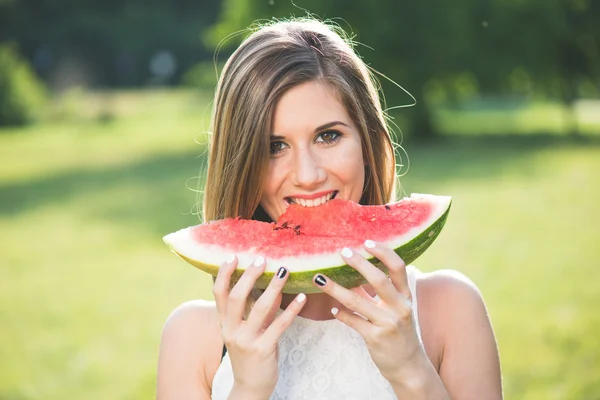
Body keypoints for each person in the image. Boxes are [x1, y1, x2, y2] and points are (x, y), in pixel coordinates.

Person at [156, 18, 502, 400]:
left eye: (328, 136)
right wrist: (249, 389)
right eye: (274, 147)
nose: (307, 175)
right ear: (240, 164)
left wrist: (411, 372)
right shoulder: (192, 338)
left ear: (368, 141)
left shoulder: (450, 310)